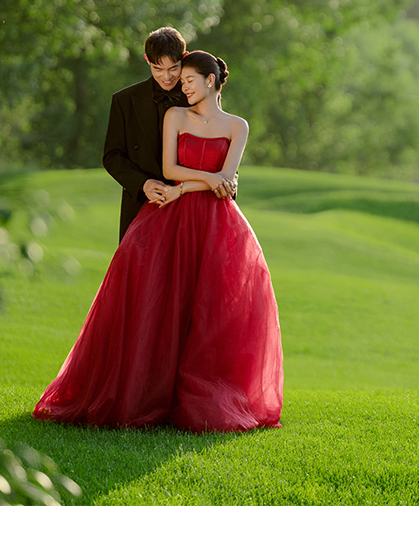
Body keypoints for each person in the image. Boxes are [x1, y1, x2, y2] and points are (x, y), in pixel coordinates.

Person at [33, 51, 283, 432]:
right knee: (156, 296)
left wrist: (192, 187)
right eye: (179, 81)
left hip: (217, 223)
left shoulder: (238, 126)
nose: (181, 86)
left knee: (213, 305)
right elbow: (171, 169)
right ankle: (148, 391)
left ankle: (202, 390)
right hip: (169, 215)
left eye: (188, 80)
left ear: (211, 81)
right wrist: (197, 185)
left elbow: (228, 181)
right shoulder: (175, 116)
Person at [102, 27, 234, 243]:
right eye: (158, 68)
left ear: (184, 57)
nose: (167, 76)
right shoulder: (124, 101)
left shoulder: (198, 94)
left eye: (174, 68)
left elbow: (221, 143)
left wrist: (228, 180)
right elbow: (112, 156)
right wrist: (143, 184)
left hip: (195, 210)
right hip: (142, 205)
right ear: (147, 60)